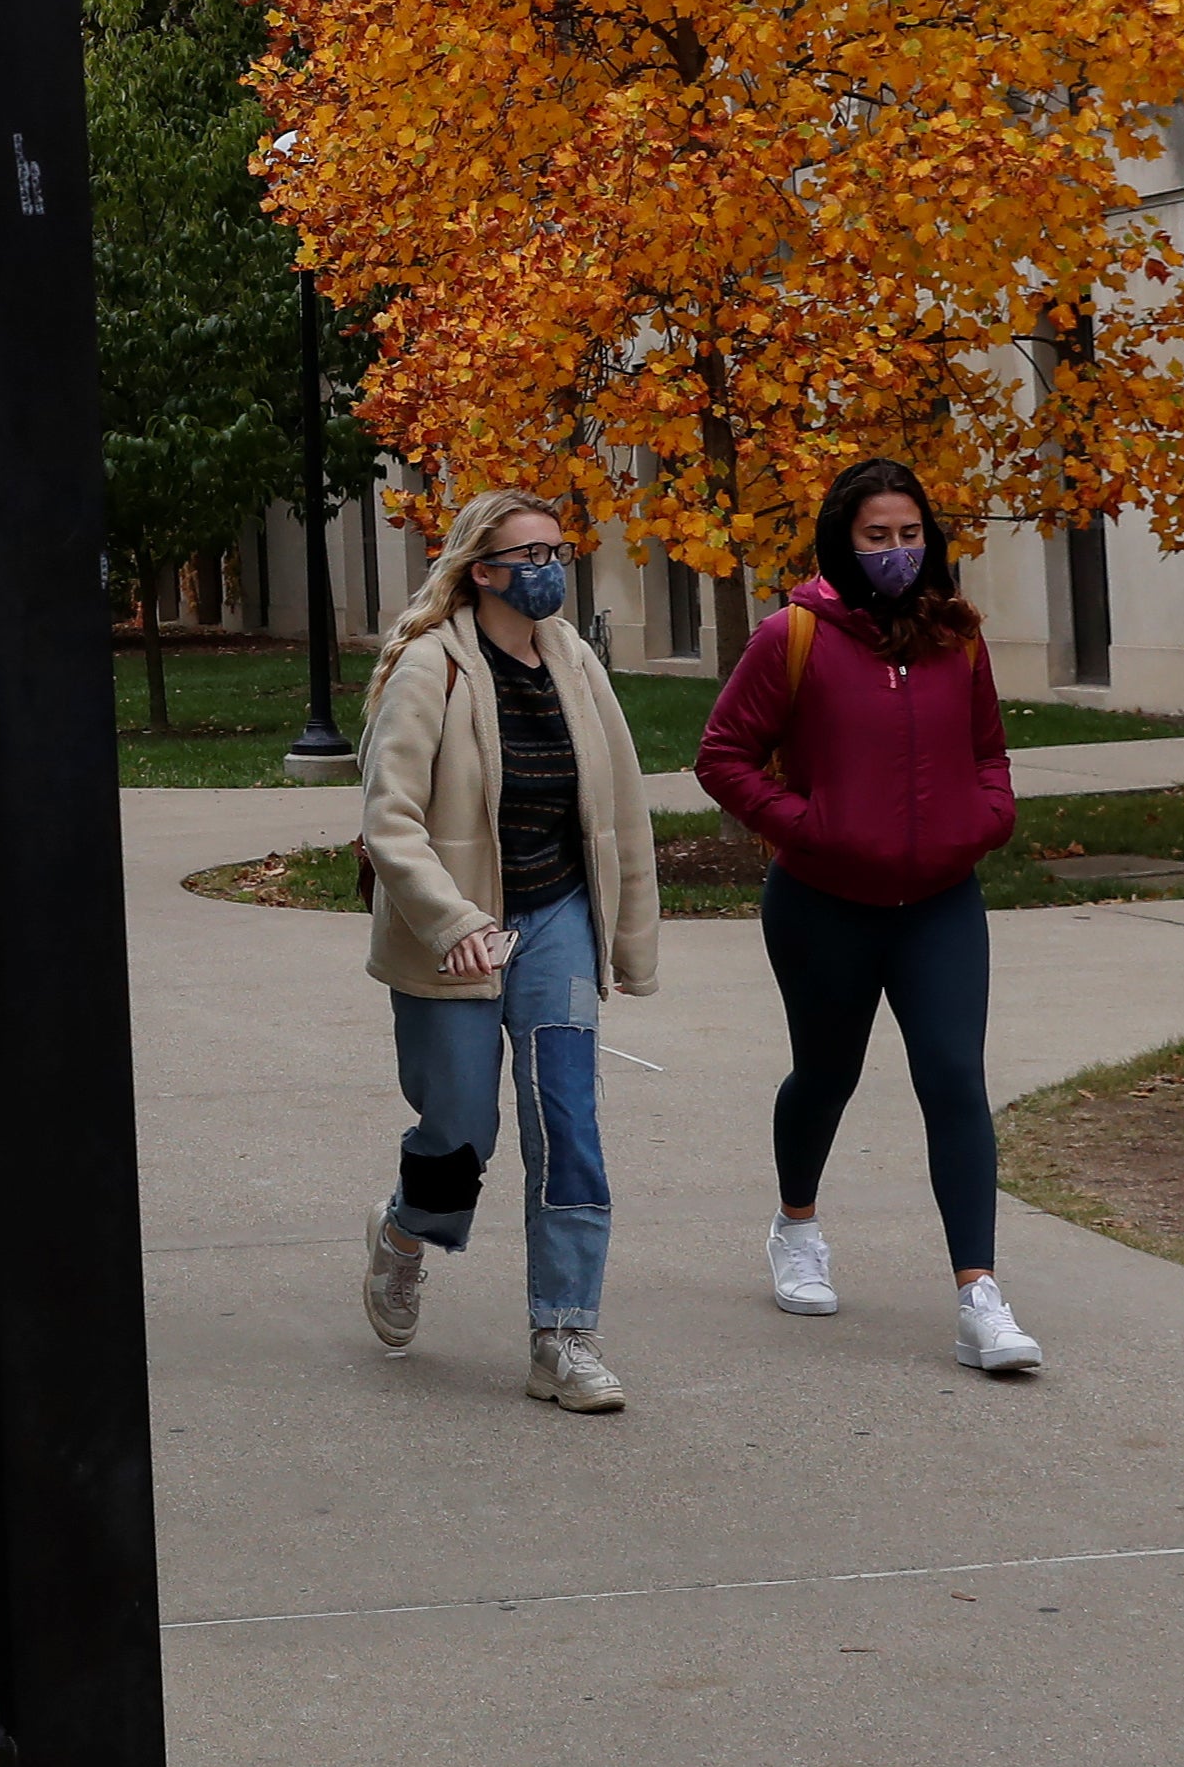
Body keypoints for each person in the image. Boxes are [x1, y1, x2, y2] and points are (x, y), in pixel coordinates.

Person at [695, 457, 1045, 1375]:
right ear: (841, 544)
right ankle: (797, 1225)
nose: (897, 552)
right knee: (826, 1072)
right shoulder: (793, 635)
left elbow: (989, 751)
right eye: (876, 536)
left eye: (911, 533)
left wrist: (990, 815)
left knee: (953, 1079)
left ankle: (979, 1297)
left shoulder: (955, 635)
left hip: (938, 902)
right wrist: (802, 826)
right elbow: (724, 754)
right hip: (823, 904)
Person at [354, 489, 664, 1411]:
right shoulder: (430, 667)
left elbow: (623, 811)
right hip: (452, 933)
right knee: (460, 1134)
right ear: (480, 570)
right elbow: (390, 820)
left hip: (555, 915)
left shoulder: (574, 660)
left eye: (558, 551)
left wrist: (633, 939)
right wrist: (457, 924)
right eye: (528, 555)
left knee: (567, 1121)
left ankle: (564, 1334)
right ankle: (407, 1233)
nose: (548, 569)